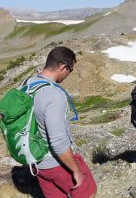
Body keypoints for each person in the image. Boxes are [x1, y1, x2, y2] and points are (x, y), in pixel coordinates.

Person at [27, 46, 97, 198]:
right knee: (88, 193)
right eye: (70, 70)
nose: (68, 75)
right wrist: (76, 170)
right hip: (57, 163)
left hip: (36, 163)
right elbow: (58, 141)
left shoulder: (27, 85)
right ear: (63, 67)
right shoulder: (53, 94)